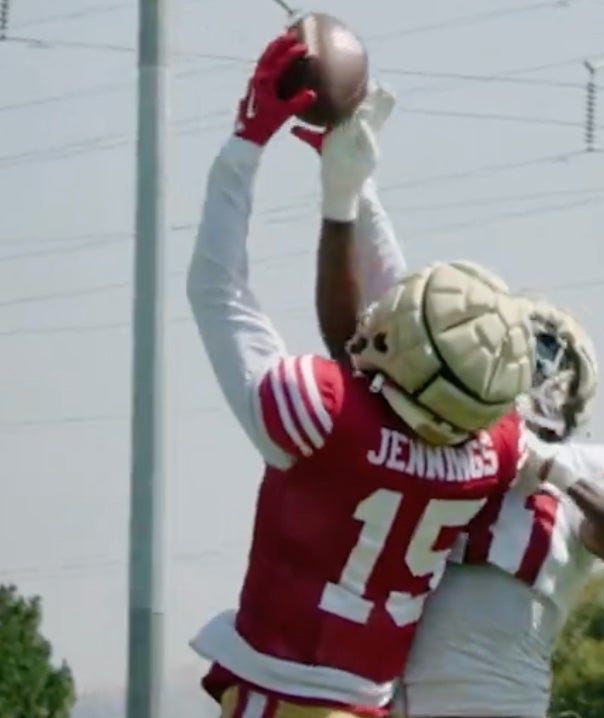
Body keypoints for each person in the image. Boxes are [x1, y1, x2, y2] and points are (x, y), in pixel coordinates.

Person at [292, 87, 604, 718]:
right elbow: (374, 338)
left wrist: (558, 477)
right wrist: (354, 188)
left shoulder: (590, 469)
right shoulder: (436, 430)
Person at [185, 31, 539, 718]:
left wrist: (246, 143)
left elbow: (217, 290)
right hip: (366, 705)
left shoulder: (322, 417)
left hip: (282, 696)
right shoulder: (490, 450)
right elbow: (421, 350)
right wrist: (352, 190)